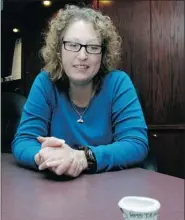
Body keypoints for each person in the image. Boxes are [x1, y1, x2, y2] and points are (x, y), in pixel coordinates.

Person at [12, 4, 149, 177]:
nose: (83, 56)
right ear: (59, 50)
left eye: (92, 47)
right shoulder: (45, 83)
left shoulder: (118, 83)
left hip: (109, 189)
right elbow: (24, 141)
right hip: (55, 192)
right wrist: (45, 157)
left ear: (103, 53)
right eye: (73, 44)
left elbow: (136, 144)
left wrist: (83, 157)